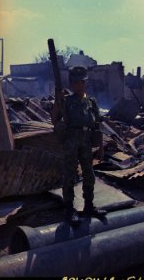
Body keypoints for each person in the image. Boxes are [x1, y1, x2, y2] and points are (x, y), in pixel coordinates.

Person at [51, 66, 106, 224]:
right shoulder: (66, 101)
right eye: (75, 82)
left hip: (87, 140)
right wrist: (57, 101)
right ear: (71, 84)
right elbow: (54, 120)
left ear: (85, 82)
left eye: (81, 81)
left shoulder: (91, 102)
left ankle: (89, 206)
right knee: (69, 175)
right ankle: (69, 209)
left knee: (89, 174)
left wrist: (101, 147)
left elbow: (98, 125)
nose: (78, 85)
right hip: (71, 140)